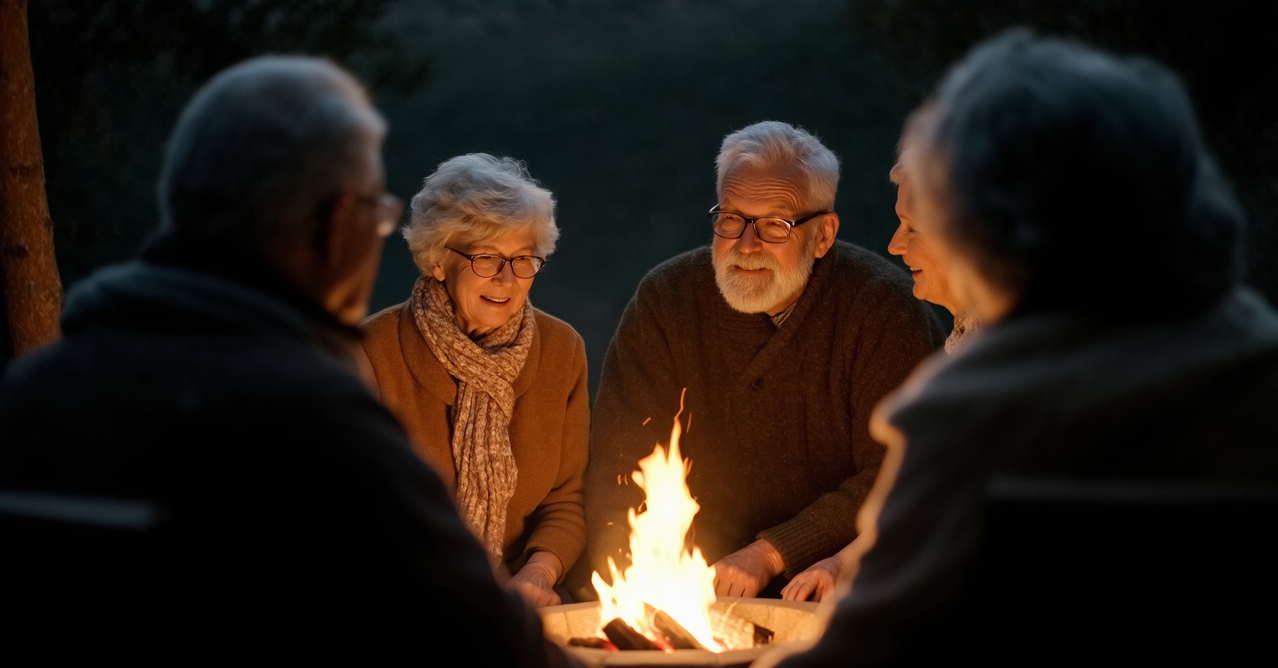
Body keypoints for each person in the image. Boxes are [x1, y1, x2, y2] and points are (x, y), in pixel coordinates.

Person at [0, 56, 573, 662]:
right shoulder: (310, 415)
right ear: (334, 225)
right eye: (375, 218)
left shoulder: (33, 393)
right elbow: (479, 636)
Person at [766, 31, 1278, 666]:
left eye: (922, 227)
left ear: (998, 237)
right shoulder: (1251, 362)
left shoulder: (984, 416)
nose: (897, 248)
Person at [581, 120, 944, 601]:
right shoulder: (666, 301)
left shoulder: (885, 310)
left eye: (775, 224)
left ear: (822, 235)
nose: (745, 245)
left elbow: (898, 474)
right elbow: (620, 467)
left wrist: (773, 551)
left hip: (832, 584)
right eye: (731, 219)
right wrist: (649, 586)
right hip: (687, 584)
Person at [360, 153, 588, 608]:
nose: (506, 279)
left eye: (523, 258)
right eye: (486, 257)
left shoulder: (563, 350)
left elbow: (566, 502)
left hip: (527, 599)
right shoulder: (369, 352)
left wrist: (536, 576)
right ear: (438, 260)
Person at [779, 151, 979, 603]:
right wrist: (840, 565)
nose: (893, 244)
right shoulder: (968, 345)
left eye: (912, 226)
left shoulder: (1022, 369)